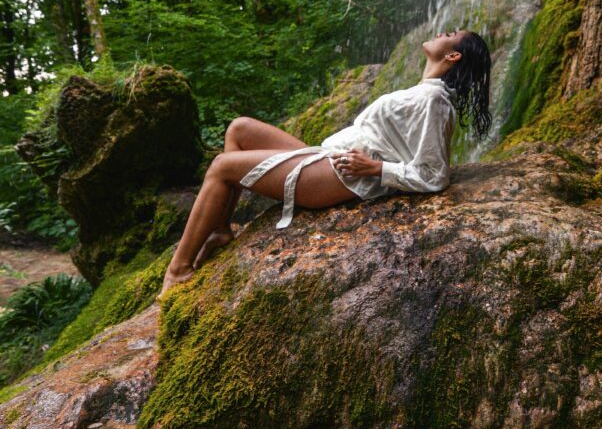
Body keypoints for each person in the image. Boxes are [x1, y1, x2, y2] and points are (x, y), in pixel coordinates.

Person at [158, 28, 492, 298]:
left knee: (221, 167)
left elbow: (434, 175)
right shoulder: (425, 92)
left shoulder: (433, 99)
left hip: (339, 177)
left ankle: (179, 270)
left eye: (451, 33)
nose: (440, 31)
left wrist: (376, 169)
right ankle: (218, 229)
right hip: (328, 156)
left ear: (453, 56)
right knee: (239, 128)